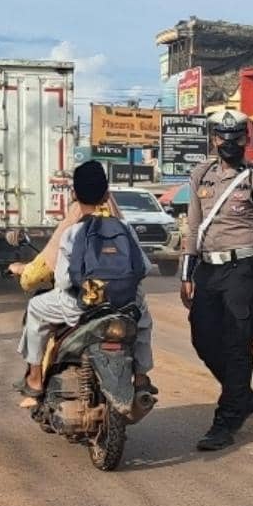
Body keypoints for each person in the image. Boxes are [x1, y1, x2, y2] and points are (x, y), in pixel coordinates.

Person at [15, 161, 155, 406]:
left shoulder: (72, 232)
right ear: (106, 194)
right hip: (123, 307)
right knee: (142, 317)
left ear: (74, 195)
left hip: (81, 307)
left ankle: (35, 379)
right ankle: (141, 378)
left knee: (36, 308)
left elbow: (63, 280)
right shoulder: (124, 227)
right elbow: (143, 267)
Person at [181, 109, 253, 451]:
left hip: (244, 269)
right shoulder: (200, 175)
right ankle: (242, 394)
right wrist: (186, 274)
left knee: (238, 344)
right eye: (223, 138)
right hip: (207, 269)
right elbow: (192, 227)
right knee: (202, 338)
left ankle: (226, 420)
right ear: (214, 139)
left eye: (236, 138)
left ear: (246, 139)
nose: (229, 144)